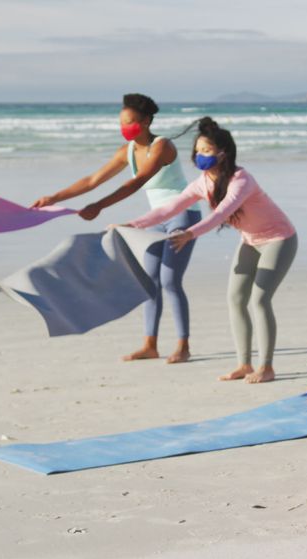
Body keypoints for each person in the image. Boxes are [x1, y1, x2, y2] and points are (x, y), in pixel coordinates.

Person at [116, 117, 298, 384]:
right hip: (249, 241)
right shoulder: (203, 182)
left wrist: (190, 233)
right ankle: (244, 364)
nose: (199, 156)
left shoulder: (241, 180)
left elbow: (222, 212)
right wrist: (133, 224)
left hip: (279, 239)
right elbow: (171, 207)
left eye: (206, 151)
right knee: (235, 299)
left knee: (259, 300)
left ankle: (266, 367)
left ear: (223, 153)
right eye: (197, 151)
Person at [31, 93, 201, 363]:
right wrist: (54, 198)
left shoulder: (162, 146)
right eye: (122, 123)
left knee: (170, 281)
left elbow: (137, 182)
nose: (125, 128)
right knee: (149, 282)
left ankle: (183, 346)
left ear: (146, 121)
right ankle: (150, 345)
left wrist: (99, 206)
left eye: (130, 122)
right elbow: (92, 180)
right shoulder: (128, 151)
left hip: (182, 215)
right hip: (156, 219)